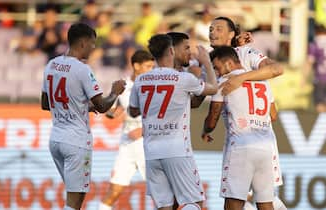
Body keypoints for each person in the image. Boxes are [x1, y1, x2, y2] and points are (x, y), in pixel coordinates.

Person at [41, 23, 126, 210]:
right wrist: (114, 92)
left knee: (73, 198)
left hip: (56, 139)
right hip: (76, 141)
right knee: (74, 202)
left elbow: (46, 104)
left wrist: (82, 106)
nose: (93, 48)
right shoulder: (82, 69)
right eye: (92, 43)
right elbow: (103, 106)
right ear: (83, 43)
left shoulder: (51, 64)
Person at [129, 34, 218, 210]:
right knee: (194, 202)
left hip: (151, 152)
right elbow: (213, 88)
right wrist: (207, 62)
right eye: (185, 48)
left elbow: (133, 111)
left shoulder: (140, 80)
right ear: (171, 50)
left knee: (164, 206)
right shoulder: (183, 79)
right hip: (177, 150)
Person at [202, 46, 280, 210]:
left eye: (217, 67)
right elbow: (273, 115)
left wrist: (206, 131)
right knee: (266, 203)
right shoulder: (263, 82)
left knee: (233, 203)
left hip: (241, 147)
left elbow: (212, 120)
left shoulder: (225, 83)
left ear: (229, 64)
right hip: (265, 147)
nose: (217, 72)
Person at [98, 50, 155, 210]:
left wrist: (143, 130)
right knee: (114, 190)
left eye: (152, 66)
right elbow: (114, 112)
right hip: (127, 144)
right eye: (148, 66)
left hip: (148, 143)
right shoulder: (122, 85)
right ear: (136, 66)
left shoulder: (155, 86)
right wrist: (111, 113)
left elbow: (163, 115)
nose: (151, 70)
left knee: (159, 192)